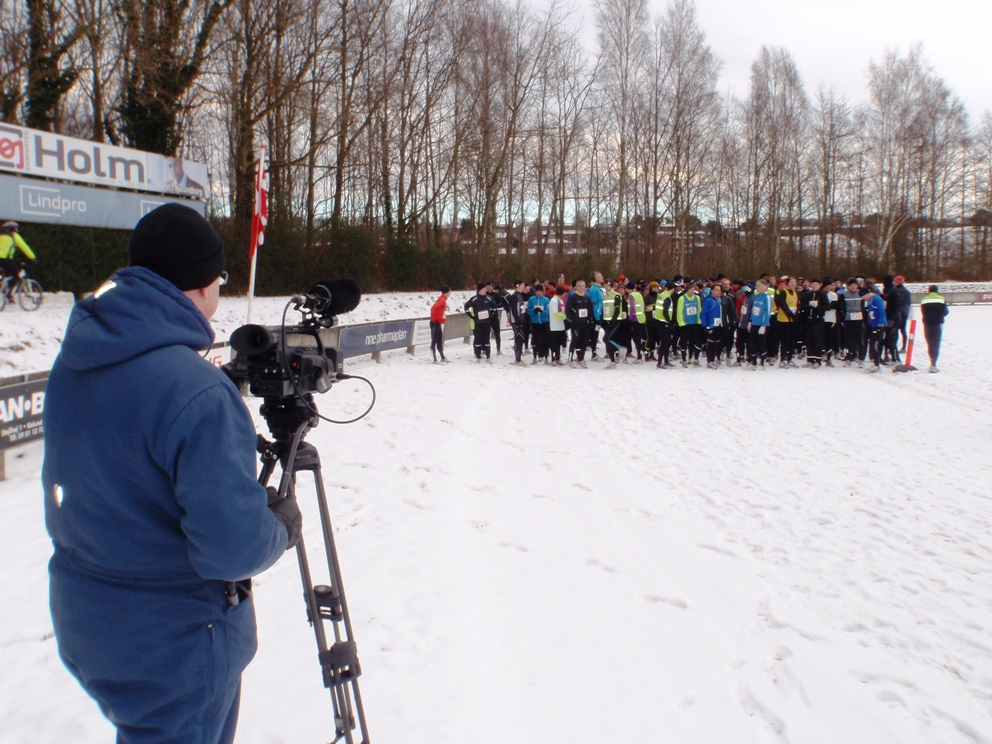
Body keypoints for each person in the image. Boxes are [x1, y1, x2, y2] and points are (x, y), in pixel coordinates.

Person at [42, 203, 301, 744]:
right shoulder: (197, 392)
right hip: (172, 637)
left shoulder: (77, 358)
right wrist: (280, 527)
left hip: (88, 612)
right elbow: (231, 548)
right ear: (205, 283)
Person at [0, 220, 36, 296]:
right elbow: (25, 248)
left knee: (3, 275)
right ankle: (6, 291)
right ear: (12, 228)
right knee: (16, 276)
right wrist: (33, 258)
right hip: (5, 259)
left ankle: (6, 292)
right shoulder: (14, 235)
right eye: (16, 228)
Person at [920, 284, 949, 373]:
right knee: (936, 344)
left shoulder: (924, 300)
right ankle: (933, 364)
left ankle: (931, 359)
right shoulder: (941, 299)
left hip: (927, 324)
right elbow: (945, 312)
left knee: (929, 344)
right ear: (937, 291)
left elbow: (923, 312)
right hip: (937, 324)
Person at [565, 279, 593, 368]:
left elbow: (589, 310)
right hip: (575, 324)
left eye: (583, 286)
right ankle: (570, 359)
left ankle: (580, 358)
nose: (581, 288)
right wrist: (569, 320)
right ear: (576, 287)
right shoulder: (573, 297)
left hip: (584, 323)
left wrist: (591, 319)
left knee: (584, 341)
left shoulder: (586, 297)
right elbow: (568, 309)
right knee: (575, 340)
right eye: (580, 286)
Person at [464, 283, 494, 362]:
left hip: (487, 323)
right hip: (478, 323)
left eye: (486, 289)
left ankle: (488, 356)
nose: (486, 290)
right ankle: (478, 356)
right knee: (478, 340)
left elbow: (494, 306)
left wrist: (492, 314)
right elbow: (466, 306)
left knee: (487, 340)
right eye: (484, 289)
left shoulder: (489, 298)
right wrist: (471, 316)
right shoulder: (474, 299)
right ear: (480, 290)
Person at [506, 280, 531, 365]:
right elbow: (513, 310)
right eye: (522, 284)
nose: (524, 286)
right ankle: (517, 359)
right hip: (516, 322)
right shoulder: (514, 296)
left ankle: (518, 359)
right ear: (518, 285)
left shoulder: (520, 295)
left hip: (521, 320)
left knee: (520, 339)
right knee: (519, 339)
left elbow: (521, 308)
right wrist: (517, 320)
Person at [527, 283, 551, 364]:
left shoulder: (546, 299)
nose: (538, 293)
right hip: (535, 322)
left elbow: (548, 311)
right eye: (537, 291)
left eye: (540, 291)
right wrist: (534, 311)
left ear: (543, 292)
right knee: (535, 340)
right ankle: (534, 357)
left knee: (545, 340)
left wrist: (542, 311)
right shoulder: (531, 299)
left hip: (544, 322)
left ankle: (546, 357)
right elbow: (528, 311)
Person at [865, 288, 888, 373]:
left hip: (879, 325)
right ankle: (875, 362)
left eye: (864, 296)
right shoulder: (871, 300)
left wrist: (880, 324)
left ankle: (877, 364)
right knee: (872, 343)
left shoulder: (877, 299)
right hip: (874, 324)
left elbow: (882, 312)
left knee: (876, 344)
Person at [429, 286, 451, 363]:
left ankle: (442, 357)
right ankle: (434, 359)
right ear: (447, 292)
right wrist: (433, 320)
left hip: (438, 322)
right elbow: (433, 308)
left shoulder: (443, 299)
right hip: (435, 323)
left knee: (439, 340)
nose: (450, 292)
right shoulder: (442, 300)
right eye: (449, 291)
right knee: (434, 341)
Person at [547, 286, 568, 366]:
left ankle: (558, 358)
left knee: (559, 344)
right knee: (554, 344)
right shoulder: (553, 301)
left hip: (561, 325)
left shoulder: (560, 301)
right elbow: (555, 314)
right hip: (555, 326)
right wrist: (565, 316)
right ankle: (553, 359)